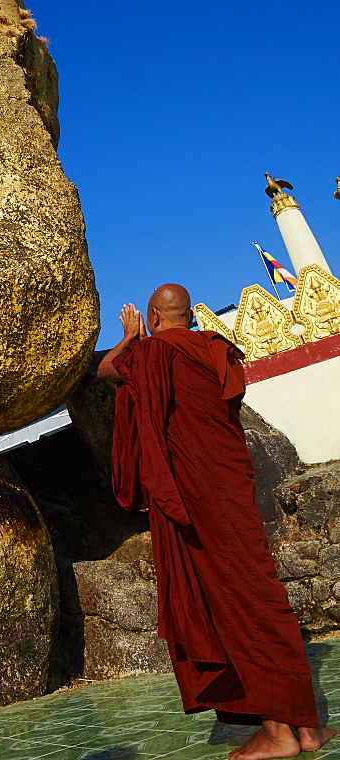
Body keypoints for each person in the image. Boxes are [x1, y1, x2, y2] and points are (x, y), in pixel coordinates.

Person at [97, 284, 335, 760]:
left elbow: (106, 371)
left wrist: (129, 337)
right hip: (232, 492)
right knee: (262, 596)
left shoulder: (151, 354)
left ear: (153, 316)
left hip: (194, 500)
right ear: (188, 314)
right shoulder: (212, 351)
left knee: (231, 603)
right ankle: (307, 728)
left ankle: (277, 733)